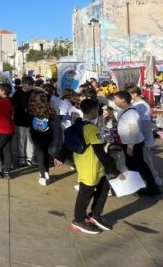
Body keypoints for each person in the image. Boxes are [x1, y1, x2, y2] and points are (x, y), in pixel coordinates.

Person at [55, 99, 124, 234]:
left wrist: (60, 156)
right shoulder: (91, 129)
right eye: (97, 109)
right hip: (91, 166)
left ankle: (95, 215)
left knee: (104, 186)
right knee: (85, 193)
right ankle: (79, 220)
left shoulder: (78, 124)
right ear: (93, 110)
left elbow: (67, 144)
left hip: (90, 164)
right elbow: (100, 152)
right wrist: (115, 171)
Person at [113, 91, 160, 196]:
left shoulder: (132, 113)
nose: (114, 101)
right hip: (130, 143)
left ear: (123, 100)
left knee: (137, 166)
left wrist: (130, 147)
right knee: (137, 165)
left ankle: (147, 188)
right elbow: (110, 103)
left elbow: (134, 130)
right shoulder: (124, 110)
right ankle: (146, 187)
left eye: (115, 99)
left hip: (133, 144)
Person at [12, 76, 35, 167]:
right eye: (30, 84)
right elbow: (13, 106)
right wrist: (22, 109)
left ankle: (30, 157)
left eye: (32, 84)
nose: (31, 86)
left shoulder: (33, 93)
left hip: (31, 120)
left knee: (30, 140)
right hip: (20, 120)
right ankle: (21, 156)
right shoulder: (17, 93)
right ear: (24, 84)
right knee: (21, 139)